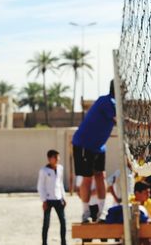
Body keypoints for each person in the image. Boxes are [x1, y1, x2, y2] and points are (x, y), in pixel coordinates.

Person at [72, 80, 116, 222]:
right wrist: (146, 126)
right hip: (84, 144)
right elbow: (122, 121)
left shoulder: (115, 104)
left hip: (99, 146)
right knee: (87, 177)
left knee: (100, 176)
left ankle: (101, 213)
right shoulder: (107, 102)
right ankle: (86, 213)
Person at [37, 149, 66, 245]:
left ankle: (63, 242)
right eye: (55, 157)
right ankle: (44, 243)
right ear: (50, 159)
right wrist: (44, 200)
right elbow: (40, 186)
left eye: (58, 157)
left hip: (58, 199)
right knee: (46, 223)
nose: (58, 159)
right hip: (48, 200)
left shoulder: (60, 168)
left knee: (63, 222)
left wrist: (63, 197)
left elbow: (60, 183)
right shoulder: (44, 171)